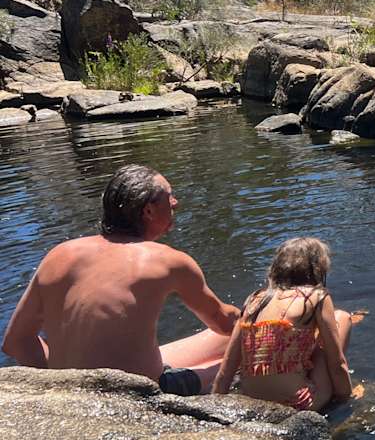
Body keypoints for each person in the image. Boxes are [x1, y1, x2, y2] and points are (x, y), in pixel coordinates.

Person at [1, 164, 239, 395]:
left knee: (222, 341)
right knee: (247, 347)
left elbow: (16, 342)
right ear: (148, 211)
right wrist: (256, 312)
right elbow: (224, 323)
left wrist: (62, 382)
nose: (176, 202)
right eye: (169, 196)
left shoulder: (60, 254)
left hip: (70, 391)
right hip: (138, 394)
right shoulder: (169, 261)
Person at [212, 236, 355, 412]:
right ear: (318, 269)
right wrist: (346, 399)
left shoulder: (253, 300)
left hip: (252, 404)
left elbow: (226, 371)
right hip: (298, 403)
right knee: (341, 318)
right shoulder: (316, 296)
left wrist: (215, 409)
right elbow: (337, 363)